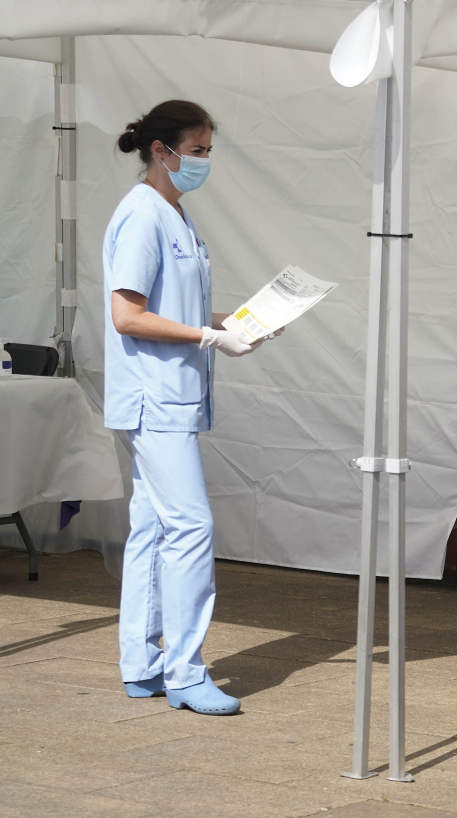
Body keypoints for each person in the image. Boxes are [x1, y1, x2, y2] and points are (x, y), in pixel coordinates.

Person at [104, 100, 265, 716]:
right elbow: (128, 314)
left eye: (207, 151)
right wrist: (206, 336)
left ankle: (142, 666)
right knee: (191, 527)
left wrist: (235, 323)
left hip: (171, 395)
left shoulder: (175, 214)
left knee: (153, 528)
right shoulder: (143, 216)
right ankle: (186, 670)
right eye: (196, 150)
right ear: (161, 150)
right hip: (154, 398)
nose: (203, 161)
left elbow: (181, 311)